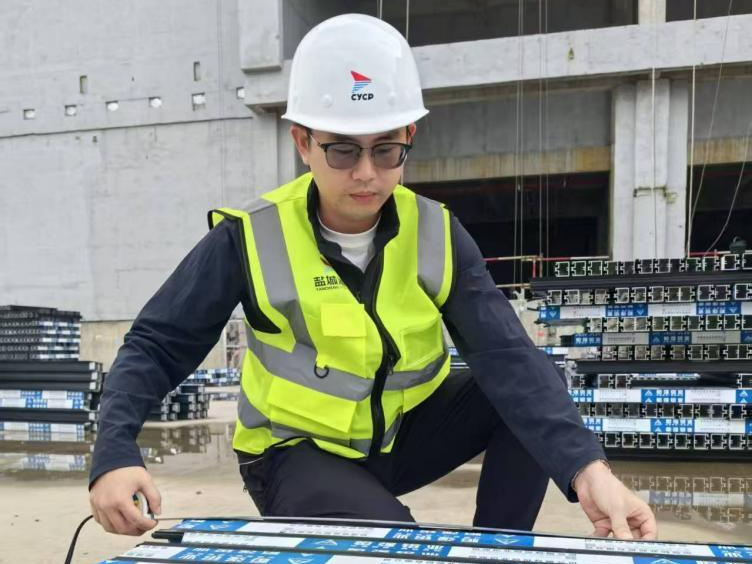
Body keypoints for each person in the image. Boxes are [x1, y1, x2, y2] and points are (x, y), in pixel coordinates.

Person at [89, 13, 657, 540]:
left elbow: (506, 356)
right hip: (295, 454)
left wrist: (589, 470)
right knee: (392, 545)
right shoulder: (250, 238)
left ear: (409, 136)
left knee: (537, 381)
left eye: (386, 150)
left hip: (401, 437)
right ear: (303, 142)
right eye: (342, 151)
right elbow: (158, 343)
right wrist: (113, 453)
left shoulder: (436, 232)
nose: (366, 174)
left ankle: (495, 549)